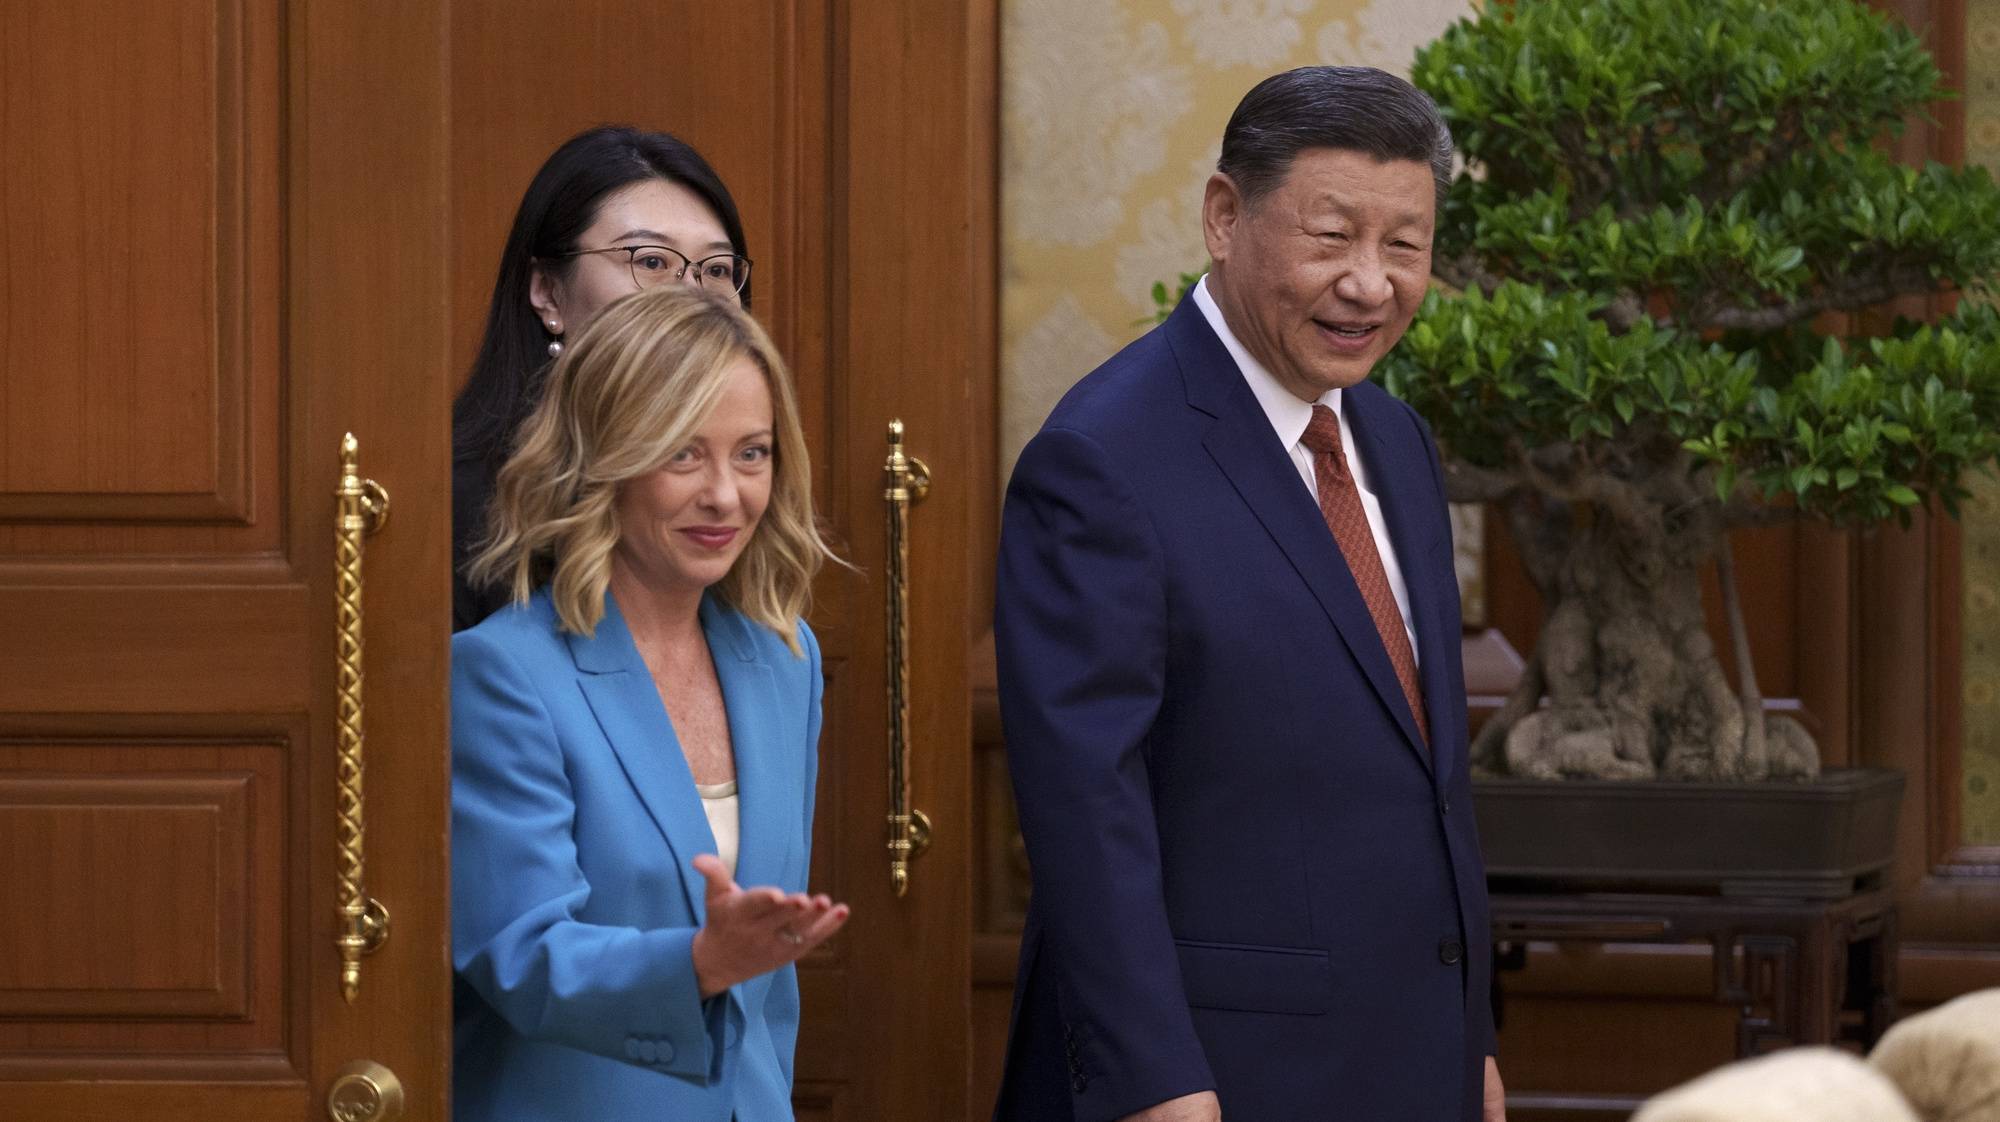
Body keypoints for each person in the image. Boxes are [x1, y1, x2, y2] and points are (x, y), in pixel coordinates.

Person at [993, 67, 1504, 1122]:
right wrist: (1153, 1081)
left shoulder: (1395, 442)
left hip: (1413, 1060)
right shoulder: (1102, 458)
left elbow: (1425, 788)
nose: (1370, 283)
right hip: (1214, 1078)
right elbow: (1085, 811)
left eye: (1403, 246)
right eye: (1331, 238)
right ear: (1223, 217)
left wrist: (1471, 1046)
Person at [451, 285, 845, 1122]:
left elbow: (767, 1003)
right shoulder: (502, 674)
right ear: (603, 458)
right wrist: (698, 962)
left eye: (752, 453)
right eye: (682, 455)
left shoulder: (786, 660)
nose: (726, 496)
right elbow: (520, 956)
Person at [453, 124, 754, 632]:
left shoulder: (743, 488)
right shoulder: (458, 508)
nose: (691, 296)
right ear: (549, 292)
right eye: (652, 261)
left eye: (718, 270)